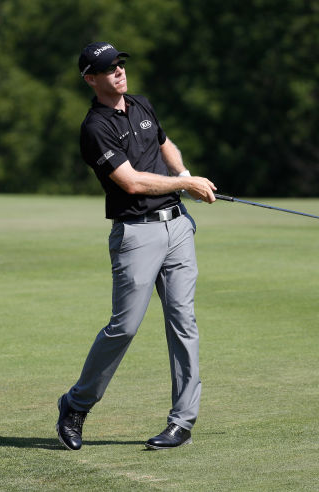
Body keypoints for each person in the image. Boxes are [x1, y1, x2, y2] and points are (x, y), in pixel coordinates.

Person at [56, 42, 217, 451]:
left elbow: (165, 144)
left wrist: (184, 173)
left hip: (177, 226)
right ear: (91, 79)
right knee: (124, 327)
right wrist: (186, 184)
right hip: (136, 233)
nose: (118, 72)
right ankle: (76, 404)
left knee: (184, 323)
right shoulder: (95, 128)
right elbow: (131, 182)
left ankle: (182, 422)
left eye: (120, 65)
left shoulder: (141, 105)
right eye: (109, 68)